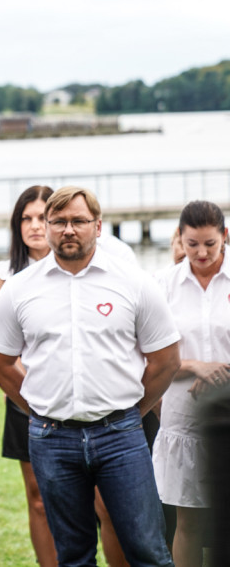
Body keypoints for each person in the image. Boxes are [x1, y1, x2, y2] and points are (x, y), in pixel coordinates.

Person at [0, 186, 181, 566]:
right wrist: (40, 408)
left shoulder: (134, 282)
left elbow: (166, 360)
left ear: (98, 225)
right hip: (52, 439)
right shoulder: (19, 290)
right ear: (46, 225)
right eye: (58, 221)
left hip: (121, 437)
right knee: (73, 555)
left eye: (78, 221)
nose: (69, 229)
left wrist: (130, 412)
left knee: (148, 550)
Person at [152, 200, 229, 567]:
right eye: (192, 243)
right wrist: (196, 366)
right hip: (183, 415)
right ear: (180, 239)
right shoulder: (163, 286)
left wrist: (222, 373)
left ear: (225, 237)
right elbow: (148, 354)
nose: (201, 252)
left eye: (210, 244)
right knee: (189, 523)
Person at [0, 185, 57, 567]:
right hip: (25, 396)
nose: (34, 226)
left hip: (75, 395)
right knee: (37, 495)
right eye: (26, 218)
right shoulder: (6, 274)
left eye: (42, 217)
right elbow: (0, 349)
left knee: (99, 500)